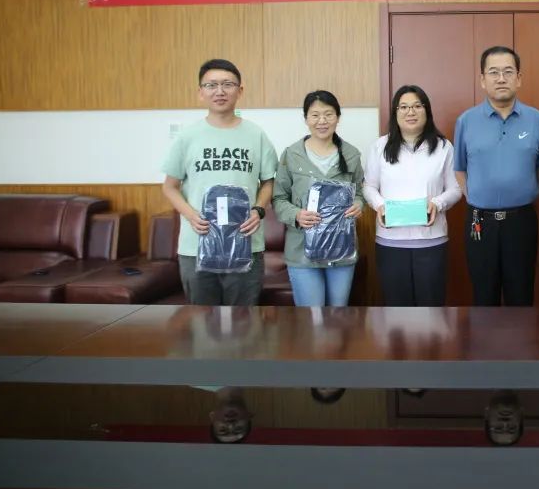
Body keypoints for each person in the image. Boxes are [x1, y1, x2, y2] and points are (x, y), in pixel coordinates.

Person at [161, 59, 278, 306]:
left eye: (227, 84)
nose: (220, 91)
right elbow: (169, 186)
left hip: (246, 243)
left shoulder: (256, 134)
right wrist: (191, 215)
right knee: (202, 322)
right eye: (211, 85)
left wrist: (258, 210)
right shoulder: (187, 137)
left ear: (240, 91)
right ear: (200, 92)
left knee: (244, 320)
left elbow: (269, 182)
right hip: (197, 245)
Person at [454, 46, 539, 306]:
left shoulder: (537, 120)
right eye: (493, 72)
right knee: (484, 297)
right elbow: (460, 169)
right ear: (482, 79)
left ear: (519, 78)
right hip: (480, 222)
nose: (501, 79)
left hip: (521, 221)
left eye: (508, 72)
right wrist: (477, 197)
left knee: (521, 296)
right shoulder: (466, 121)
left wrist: (518, 188)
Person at [363, 85, 462, 306]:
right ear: (395, 112)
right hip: (390, 243)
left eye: (417, 106)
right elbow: (369, 186)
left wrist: (437, 203)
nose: (411, 112)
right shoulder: (380, 146)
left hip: (431, 241)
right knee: (397, 310)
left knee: (431, 308)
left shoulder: (443, 147)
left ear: (427, 111)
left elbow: (456, 189)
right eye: (404, 107)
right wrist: (380, 205)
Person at [272, 90, 364, 307]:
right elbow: (278, 198)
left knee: (337, 315)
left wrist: (359, 204)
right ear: (306, 119)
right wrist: (296, 214)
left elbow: (360, 193)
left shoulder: (351, 154)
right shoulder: (291, 154)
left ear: (338, 117)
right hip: (302, 251)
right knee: (311, 318)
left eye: (328, 114)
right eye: (315, 115)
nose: (322, 121)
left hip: (341, 249)